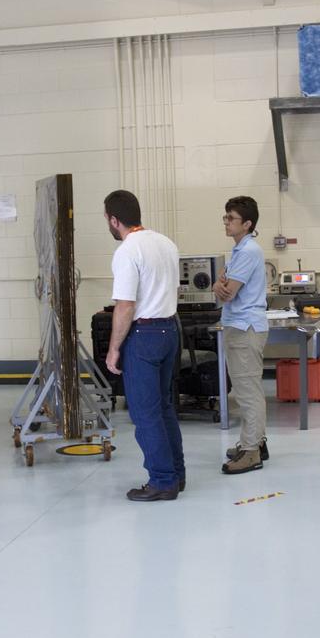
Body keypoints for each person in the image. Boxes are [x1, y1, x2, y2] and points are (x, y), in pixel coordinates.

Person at [103, 190, 184, 501]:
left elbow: (125, 306)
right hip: (169, 330)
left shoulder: (127, 250)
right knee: (163, 407)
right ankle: (176, 474)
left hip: (145, 336)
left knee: (145, 413)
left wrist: (114, 348)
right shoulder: (166, 243)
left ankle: (162, 480)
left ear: (114, 219)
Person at [213, 196, 270, 474]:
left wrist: (219, 286)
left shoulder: (248, 252)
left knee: (248, 393)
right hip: (239, 326)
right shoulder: (240, 250)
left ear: (247, 224)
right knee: (249, 390)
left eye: (231, 218)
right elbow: (221, 284)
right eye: (225, 217)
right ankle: (256, 442)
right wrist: (218, 284)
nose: (226, 222)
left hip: (244, 327)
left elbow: (227, 292)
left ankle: (251, 453)